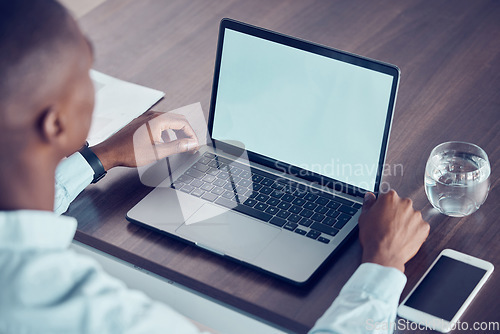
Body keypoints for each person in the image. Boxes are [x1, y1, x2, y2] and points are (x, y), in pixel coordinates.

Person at [0, 1, 430, 333]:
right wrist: (383, 265)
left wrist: (99, 157)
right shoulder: (99, 315)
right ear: (55, 122)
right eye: (87, 72)